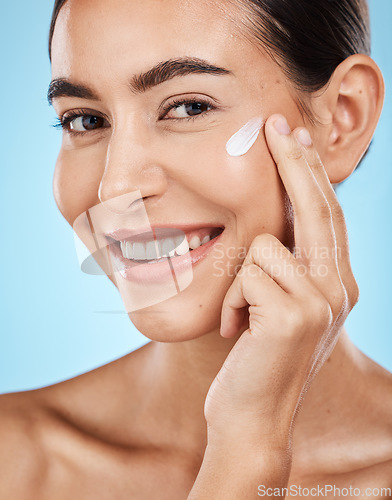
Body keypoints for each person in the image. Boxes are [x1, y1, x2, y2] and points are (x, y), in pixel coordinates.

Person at [1, 0, 391, 498]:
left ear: (343, 117)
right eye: (85, 120)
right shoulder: (13, 460)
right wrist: (247, 449)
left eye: (188, 107)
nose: (114, 188)